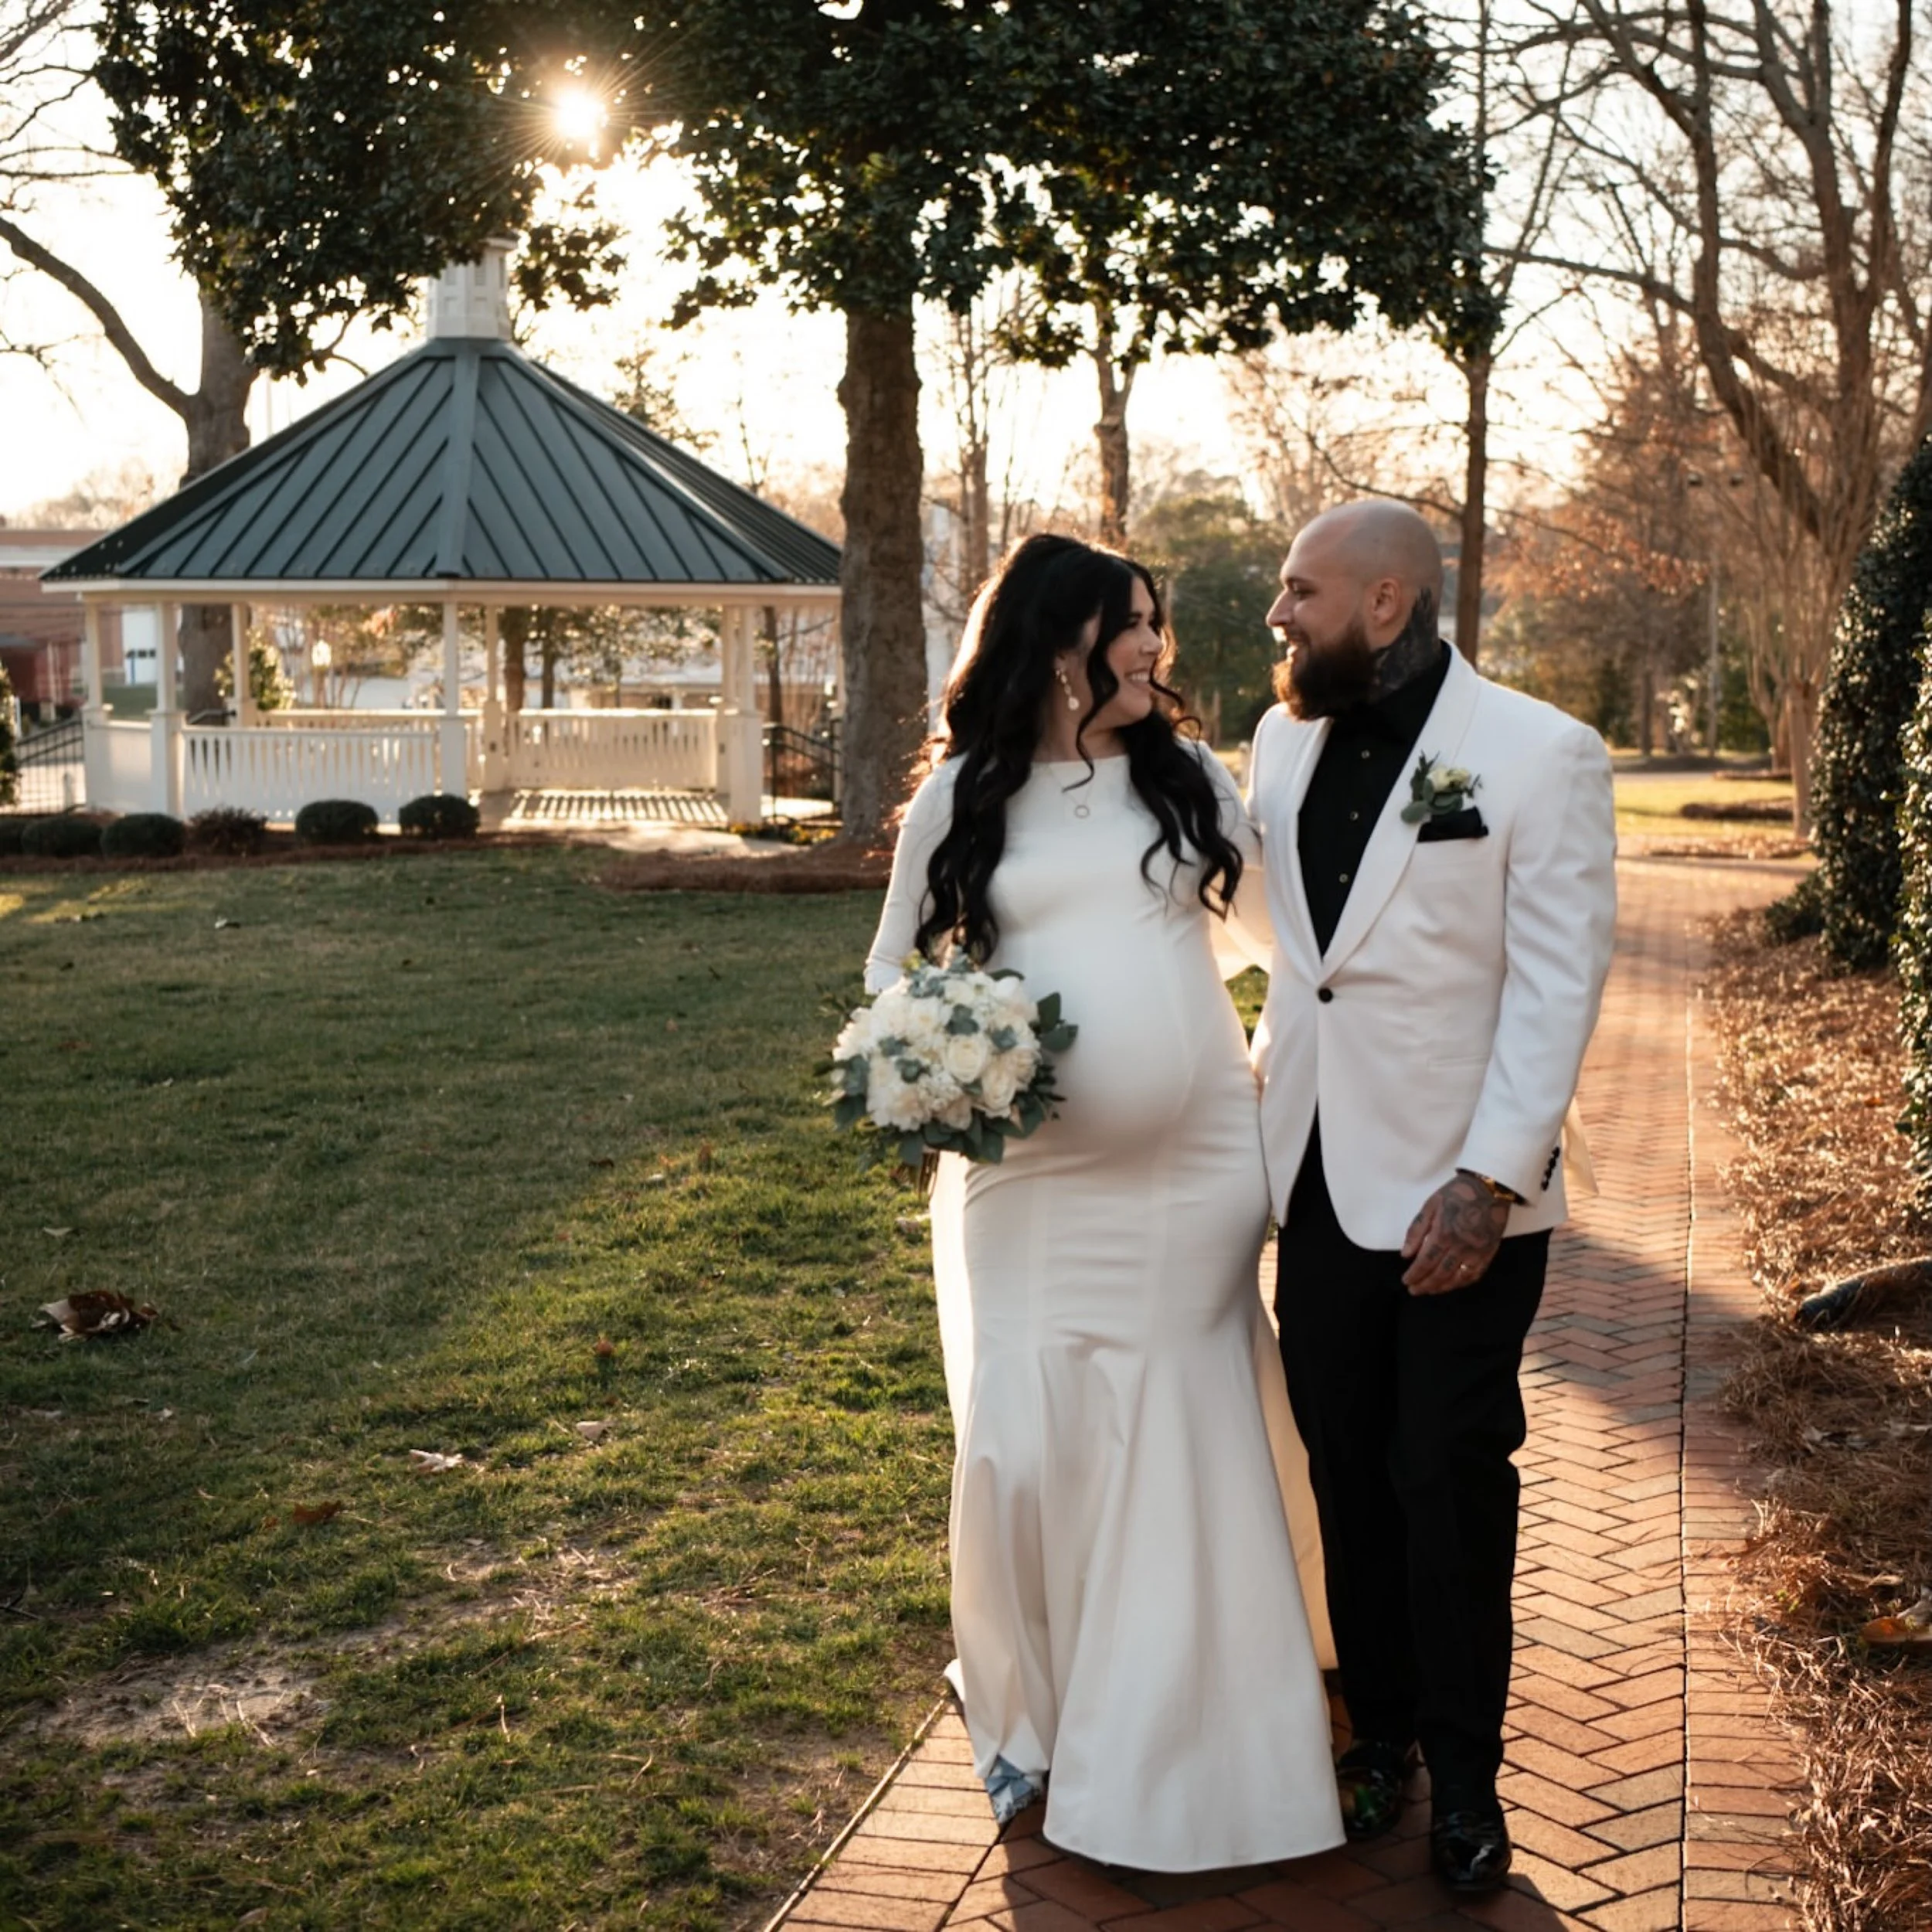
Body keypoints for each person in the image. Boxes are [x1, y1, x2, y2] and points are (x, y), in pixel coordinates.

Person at [865, 532, 1343, 1869]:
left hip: (1195, 1168)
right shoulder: (964, 790)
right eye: (1133, 625)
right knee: (1025, 1427)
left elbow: (1285, 948)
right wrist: (943, 1063)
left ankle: (1194, 1722)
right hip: (1024, 1181)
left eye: (1156, 626)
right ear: (1059, 636)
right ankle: (1035, 1709)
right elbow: (892, 966)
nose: (1155, 650)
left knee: (1177, 1410)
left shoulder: (1187, 779)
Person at [1247, 500, 1617, 1896]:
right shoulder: (1279, 742)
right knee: (1347, 1469)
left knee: (1448, 1478)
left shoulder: (1540, 752)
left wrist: (1489, 1179)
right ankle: (1382, 1734)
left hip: (1467, 1196)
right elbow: (1284, 941)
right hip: (1318, 1175)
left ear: (1387, 602)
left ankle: (1466, 1780)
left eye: (1300, 591)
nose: (1277, 614)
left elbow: (1556, 981)